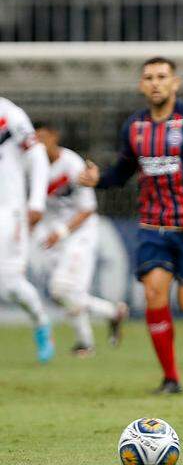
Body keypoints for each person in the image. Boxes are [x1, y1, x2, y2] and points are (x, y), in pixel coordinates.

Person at [79, 56, 183, 394]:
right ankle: (171, 378)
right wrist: (99, 180)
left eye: (162, 76)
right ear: (141, 85)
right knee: (153, 294)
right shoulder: (133, 128)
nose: (155, 82)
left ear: (175, 83)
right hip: (153, 226)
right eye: (148, 77)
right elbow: (122, 173)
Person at [31, 122, 129, 357]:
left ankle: (111, 313)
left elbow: (87, 209)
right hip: (55, 235)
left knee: (62, 290)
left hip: (80, 233)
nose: (39, 143)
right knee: (70, 292)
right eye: (35, 139)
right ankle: (87, 341)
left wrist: (62, 232)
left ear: (54, 136)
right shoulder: (35, 167)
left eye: (43, 137)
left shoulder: (72, 164)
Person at [0, 98, 54, 363]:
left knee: (9, 284)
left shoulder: (8, 114)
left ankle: (42, 324)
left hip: (8, 210)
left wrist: (36, 201)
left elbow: (37, 155)